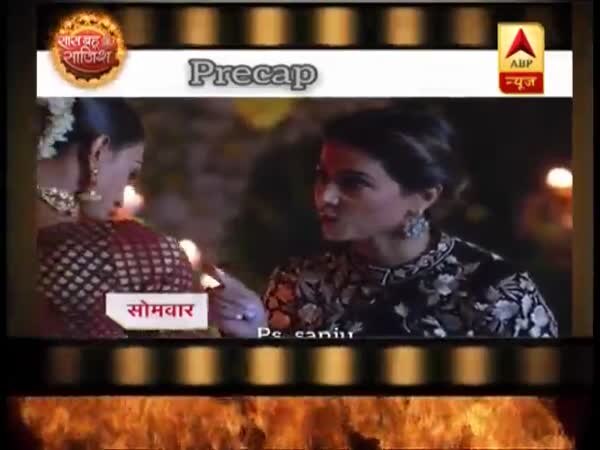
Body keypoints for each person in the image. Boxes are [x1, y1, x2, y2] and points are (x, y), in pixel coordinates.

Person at [210, 106, 559, 338]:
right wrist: (255, 335)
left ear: (422, 197)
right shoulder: (299, 282)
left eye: (352, 183)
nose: (325, 196)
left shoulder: (496, 290)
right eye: (322, 177)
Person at [36, 98, 196, 338]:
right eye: (131, 172)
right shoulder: (146, 257)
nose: (120, 200)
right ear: (97, 152)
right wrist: (237, 321)